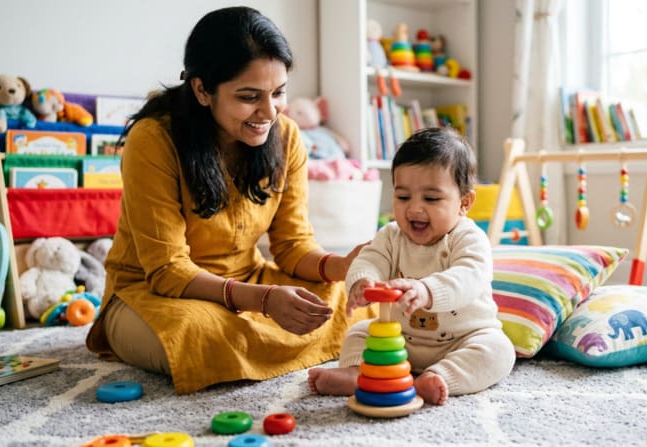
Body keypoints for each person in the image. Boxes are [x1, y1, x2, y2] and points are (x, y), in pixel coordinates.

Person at [85, 6, 375, 395]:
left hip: (248, 280)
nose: (269, 112)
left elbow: (292, 245)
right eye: (249, 96)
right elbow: (167, 271)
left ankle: (259, 337)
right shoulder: (153, 140)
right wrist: (264, 301)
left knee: (347, 299)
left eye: (278, 93)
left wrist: (341, 266)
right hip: (152, 294)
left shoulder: (287, 136)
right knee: (200, 332)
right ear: (202, 90)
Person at [308, 127, 516, 405]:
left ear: (464, 203)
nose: (414, 209)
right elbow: (370, 259)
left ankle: (437, 377)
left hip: (463, 339)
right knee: (359, 331)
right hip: (400, 339)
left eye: (431, 199)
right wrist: (362, 281)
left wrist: (427, 291)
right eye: (403, 197)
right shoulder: (391, 235)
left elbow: (469, 277)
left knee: (499, 351)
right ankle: (359, 373)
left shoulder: (469, 238)